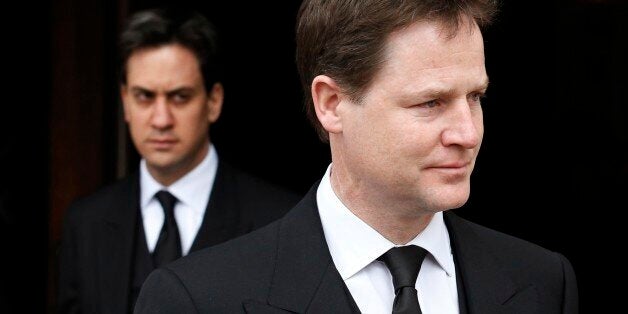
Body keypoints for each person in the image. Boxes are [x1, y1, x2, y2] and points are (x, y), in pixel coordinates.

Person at [135, 1, 578, 313]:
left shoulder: (541, 281)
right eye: (430, 103)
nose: (468, 132)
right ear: (331, 103)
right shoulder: (196, 299)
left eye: (476, 96)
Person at [57, 8, 299, 314]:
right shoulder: (86, 223)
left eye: (180, 97)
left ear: (214, 101)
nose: (161, 119)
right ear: (125, 102)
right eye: (144, 96)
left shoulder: (279, 219)